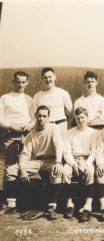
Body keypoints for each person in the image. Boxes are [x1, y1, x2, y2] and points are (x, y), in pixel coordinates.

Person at [2, 105, 64, 220]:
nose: (41, 118)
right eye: (39, 116)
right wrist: (23, 169)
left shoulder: (53, 129)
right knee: (11, 170)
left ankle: (52, 207)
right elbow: (24, 155)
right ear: (35, 116)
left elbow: (58, 146)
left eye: (44, 116)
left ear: (48, 117)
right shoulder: (31, 134)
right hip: (36, 162)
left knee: (57, 172)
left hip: (51, 160)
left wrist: (59, 162)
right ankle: (11, 205)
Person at [0, 71, 34, 214]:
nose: (20, 84)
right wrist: (10, 126)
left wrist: (29, 127)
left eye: (23, 82)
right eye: (17, 81)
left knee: (25, 166)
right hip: (10, 135)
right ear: (13, 82)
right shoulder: (5, 98)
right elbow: (0, 119)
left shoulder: (29, 99)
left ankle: (24, 200)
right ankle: (9, 203)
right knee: (10, 168)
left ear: (26, 83)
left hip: (26, 136)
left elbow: (34, 119)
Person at [62, 107, 97, 221]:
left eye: (83, 117)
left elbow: (93, 152)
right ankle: (69, 204)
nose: (80, 120)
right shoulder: (69, 133)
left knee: (90, 172)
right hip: (73, 159)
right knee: (65, 172)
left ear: (87, 118)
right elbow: (66, 152)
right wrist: (73, 164)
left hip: (87, 159)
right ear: (75, 119)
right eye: (78, 118)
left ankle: (88, 206)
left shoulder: (93, 133)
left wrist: (86, 164)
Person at [33, 67, 72, 133]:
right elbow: (35, 115)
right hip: (45, 128)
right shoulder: (37, 96)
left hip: (61, 126)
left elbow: (69, 111)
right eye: (45, 77)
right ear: (42, 79)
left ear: (54, 77)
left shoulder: (63, 93)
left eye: (50, 77)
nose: (48, 79)